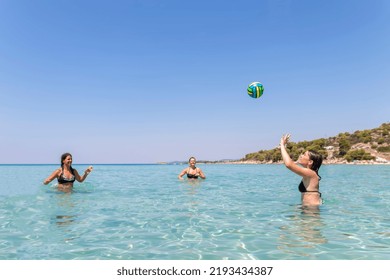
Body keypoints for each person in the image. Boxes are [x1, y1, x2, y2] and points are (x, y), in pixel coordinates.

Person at [280, 134, 323, 205]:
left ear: (310, 162)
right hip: (308, 209)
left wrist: (282, 144)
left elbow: (289, 164)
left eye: (304, 155)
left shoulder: (310, 173)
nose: (301, 155)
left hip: (311, 210)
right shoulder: (309, 173)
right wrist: (284, 147)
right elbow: (291, 163)